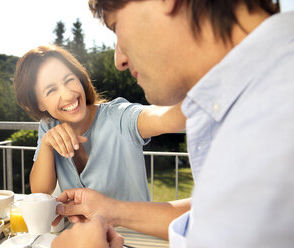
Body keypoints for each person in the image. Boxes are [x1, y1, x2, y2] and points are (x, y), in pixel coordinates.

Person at [51, 0, 294, 247]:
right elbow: (220, 214)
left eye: (115, 27)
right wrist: (112, 209)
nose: (119, 60)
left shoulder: (278, 119)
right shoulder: (256, 95)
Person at [13, 44, 186, 202]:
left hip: (133, 235)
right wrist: (46, 145)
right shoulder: (49, 127)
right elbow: (40, 192)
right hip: (82, 235)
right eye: (51, 90)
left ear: (79, 78)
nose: (67, 95)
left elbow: (165, 117)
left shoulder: (118, 117)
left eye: (69, 80)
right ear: (39, 104)